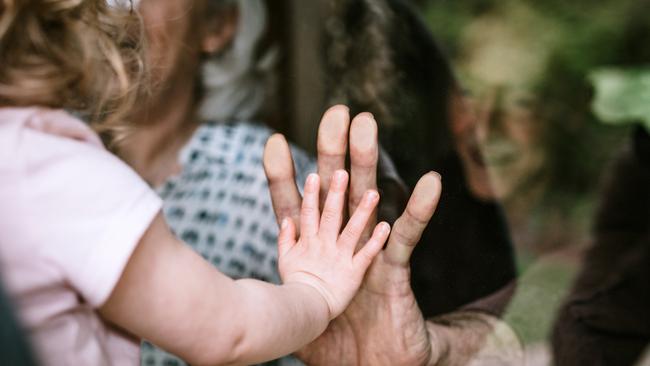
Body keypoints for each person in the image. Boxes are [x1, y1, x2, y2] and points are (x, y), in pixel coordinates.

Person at [0, 0, 395, 364]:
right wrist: (317, 295)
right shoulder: (59, 173)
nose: (122, 9)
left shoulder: (270, 183)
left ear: (219, 24)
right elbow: (230, 328)